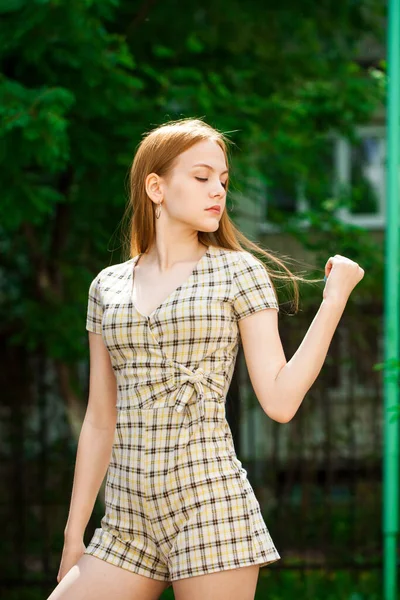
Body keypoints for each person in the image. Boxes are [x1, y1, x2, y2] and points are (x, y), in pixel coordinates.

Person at [48, 117, 364, 600]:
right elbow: (99, 418)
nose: (217, 189)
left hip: (208, 507)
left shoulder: (239, 272)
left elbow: (280, 401)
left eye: (222, 179)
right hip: (126, 522)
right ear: (156, 186)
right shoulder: (106, 286)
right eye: (201, 177)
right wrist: (74, 538)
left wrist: (334, 298)